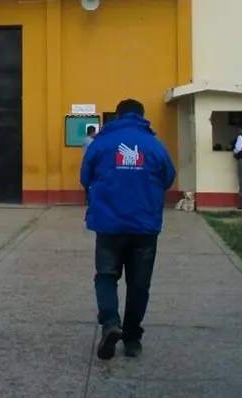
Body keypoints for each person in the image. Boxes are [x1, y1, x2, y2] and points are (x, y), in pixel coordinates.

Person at [80, 98, 176, 360]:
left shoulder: (101, 143)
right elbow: (168, 178)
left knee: (106, 276)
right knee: (139, 283)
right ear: (143, 116)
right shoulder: (154, 145)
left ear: (118, 115)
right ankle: (132, 339)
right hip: (144, 226)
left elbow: (84, 178)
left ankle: (111, 324)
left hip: (109, 225)